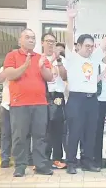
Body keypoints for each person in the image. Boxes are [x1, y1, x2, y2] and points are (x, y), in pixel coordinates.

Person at [64, 8, 106, 174]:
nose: (90, 49)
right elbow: (69, 39)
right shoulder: (72, 57)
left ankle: (87, 161)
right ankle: (71, 162)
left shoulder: (94, 59)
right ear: (79, 46)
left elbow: (105, 43)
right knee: (75, 131)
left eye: (92, 46)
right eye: (87, 46)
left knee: (90, 131)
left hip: (92, 100)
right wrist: (70, 20)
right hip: (76, 100)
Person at [4, 29, 53, 177]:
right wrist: (25, 65)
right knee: (19, 136)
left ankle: (40, 165)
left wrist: (42, 67)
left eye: (33, 38)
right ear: (20, 40)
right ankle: (20, 166)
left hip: (40, 103)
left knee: (40, 136)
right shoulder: (12, 55)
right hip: (19, 104)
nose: (31, 40)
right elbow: (10, 74)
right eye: (28, 37)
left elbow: (50, 77)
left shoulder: (40, 57)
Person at [42, 33, 68, 169]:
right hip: (43, 94)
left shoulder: (61, 59)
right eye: (48, 41)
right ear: (42, 43)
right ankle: (44, 159)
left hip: (58, 95)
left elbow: (64, 77)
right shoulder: (39, 59)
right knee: (44, 128)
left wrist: (58, 61)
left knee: (57, 128)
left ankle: (57, 158)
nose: (51, 44)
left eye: (53, 41)